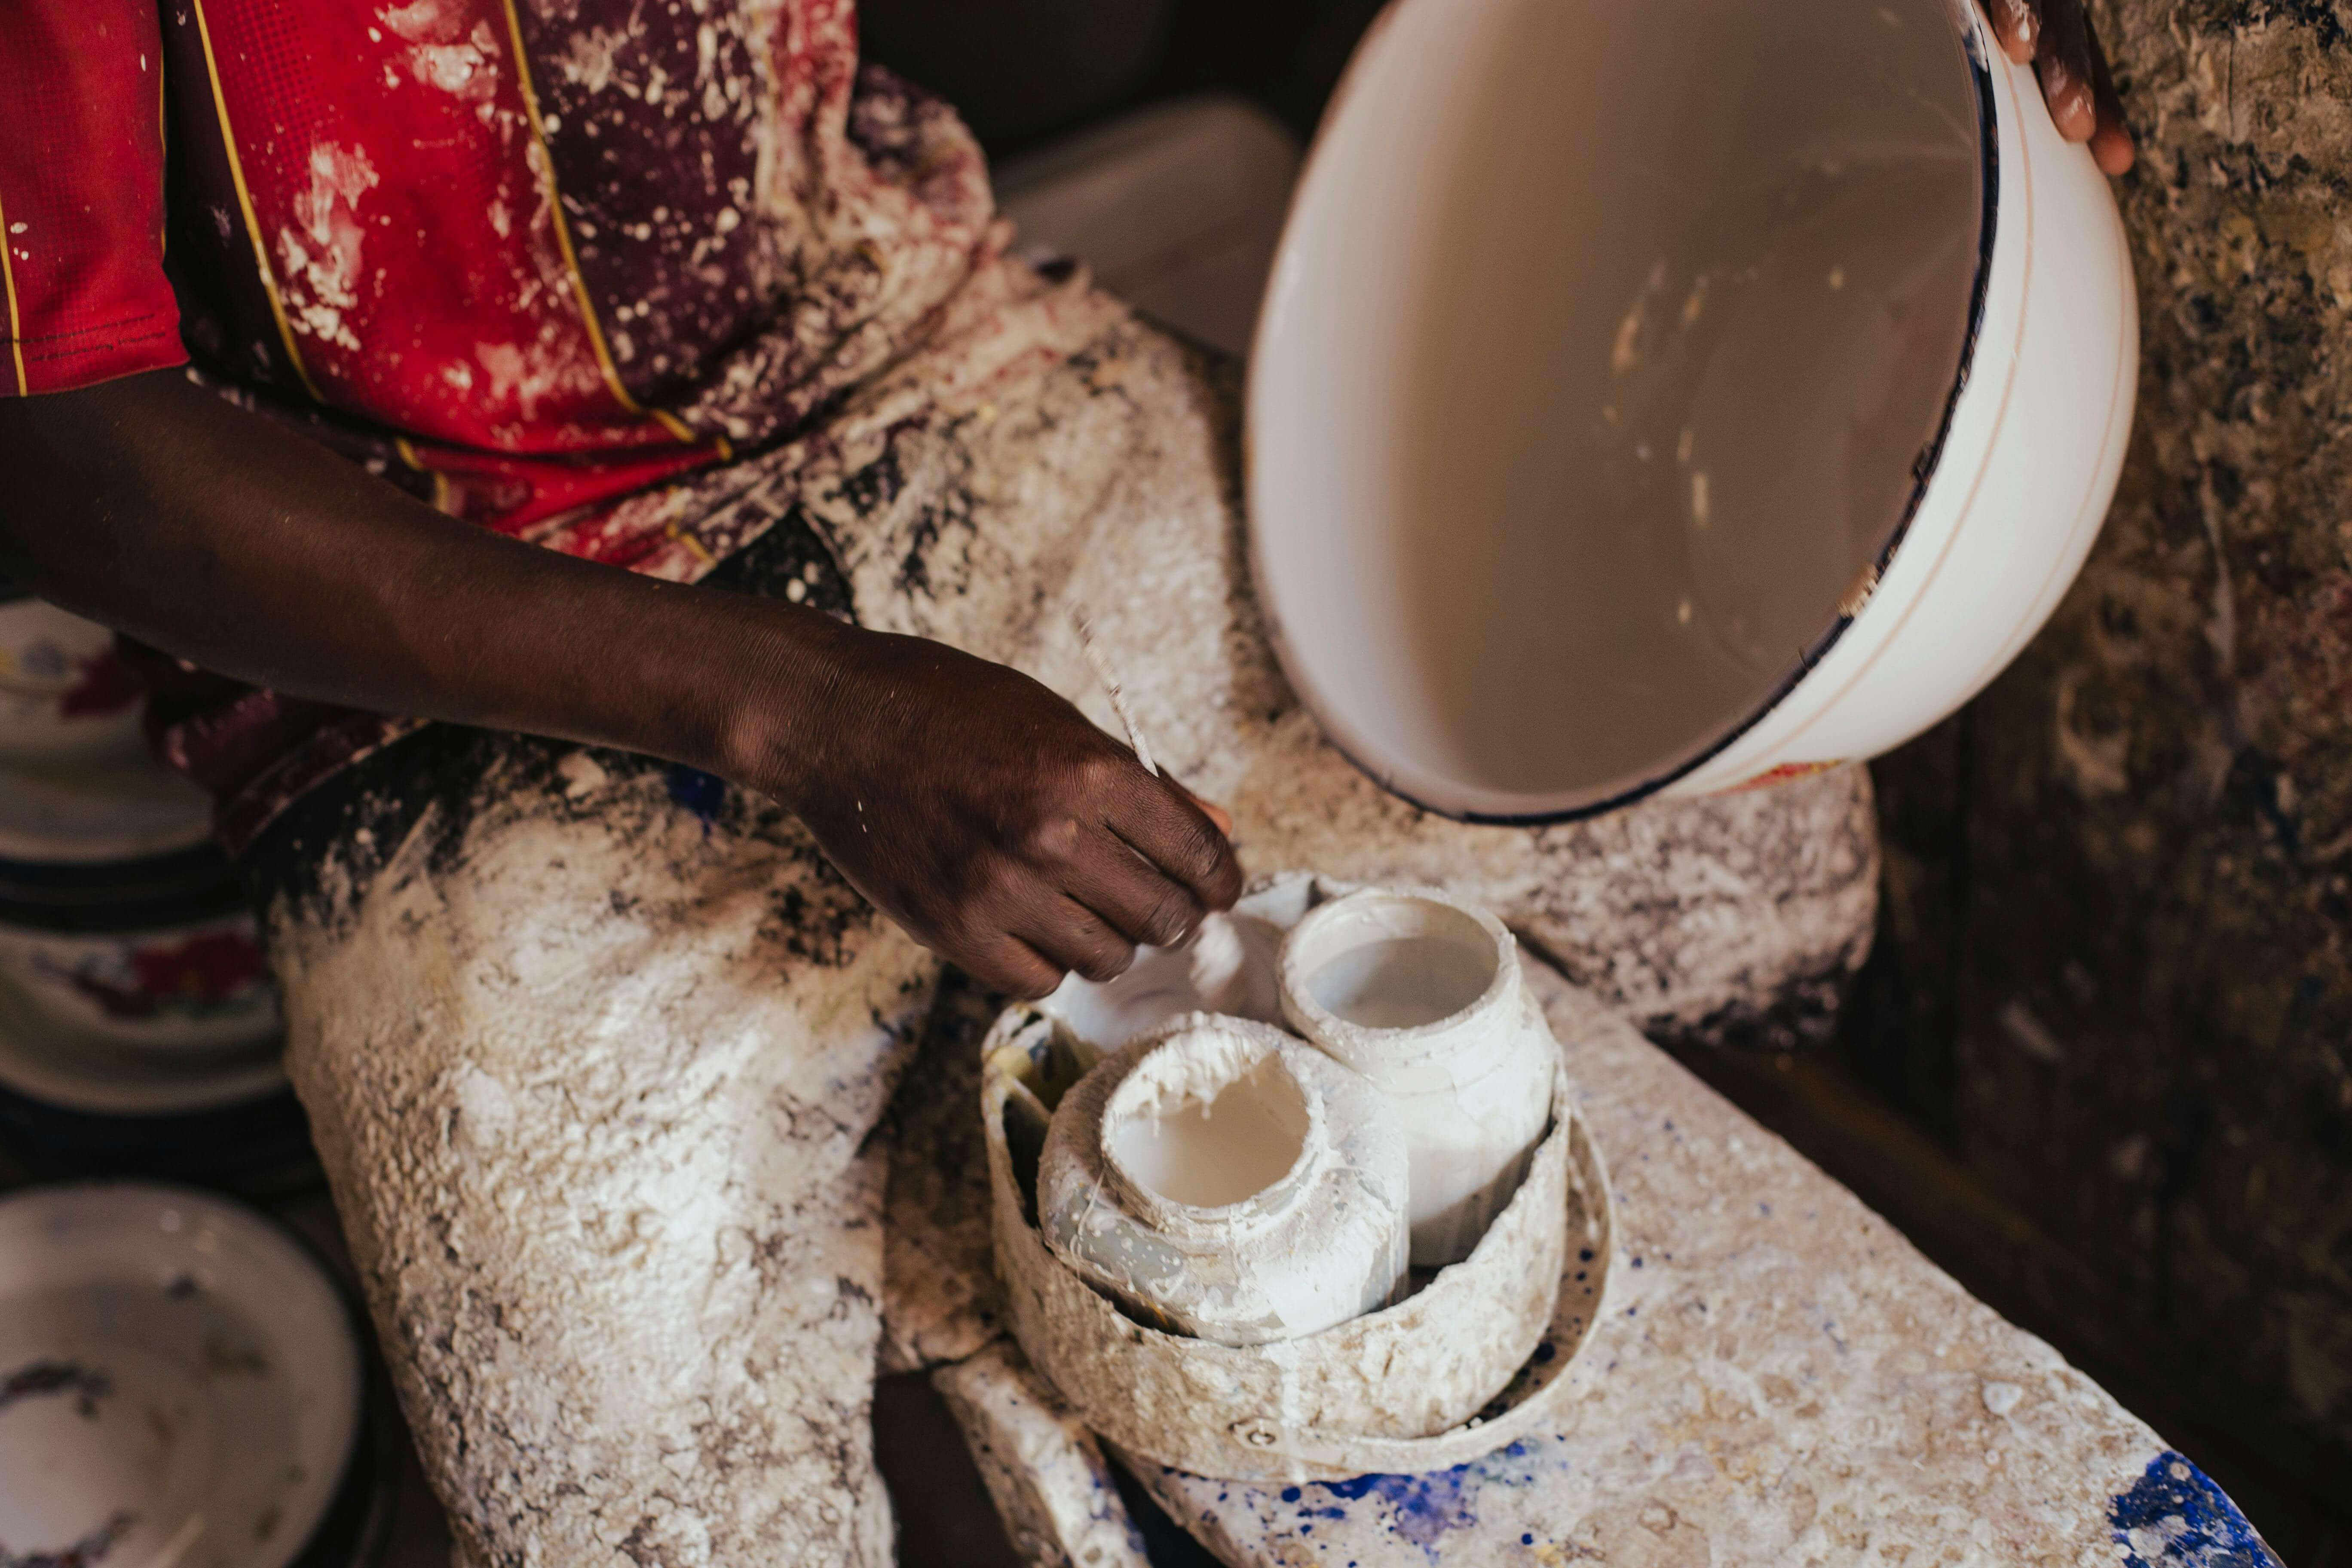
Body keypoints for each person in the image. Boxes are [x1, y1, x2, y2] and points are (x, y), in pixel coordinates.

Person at [0, 2, 2132, 1563]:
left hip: (909, 353)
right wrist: (804, 710)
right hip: (433, 627)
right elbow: (63, 448)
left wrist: (1885, 60)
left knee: (1751, 864)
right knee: (611, 1471)